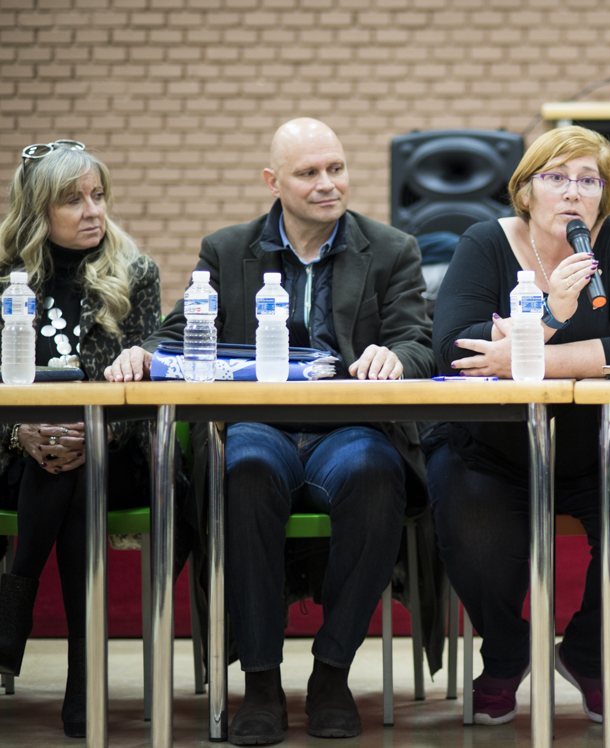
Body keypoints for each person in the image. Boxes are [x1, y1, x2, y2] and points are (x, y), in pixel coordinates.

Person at [105, 118, 433, 744]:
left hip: (347, 426)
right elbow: (175, 335)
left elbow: (418, 339)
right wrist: (144, 353)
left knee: (375, 473)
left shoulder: (392, 249)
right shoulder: (227, 250)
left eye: (334, 168)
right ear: (273, 181)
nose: (326, 184)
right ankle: (259, 681)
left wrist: (398, 357)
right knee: (243, 472)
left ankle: (332, 675)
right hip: (257, 424)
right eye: (308, 173)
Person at [427, 126, 610, 725]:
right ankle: (505, 653)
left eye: (589, 181)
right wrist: (552, 317)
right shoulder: (482, 243)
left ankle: (591, 653)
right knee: (471, 517)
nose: (574, 193)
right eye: (557, 178)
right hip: (496, 446)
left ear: (603, 196)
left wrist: (525, 356)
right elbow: (457, 354)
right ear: (526, 191)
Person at [0, 142, 161, 737]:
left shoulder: (135, 273)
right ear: (37, 210)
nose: (93, 210)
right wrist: (20, 431)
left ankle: (12, 608)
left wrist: (98, 435)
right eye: (73, 199)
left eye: (98, 195)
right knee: (59, 473)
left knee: (72, 471)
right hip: (19, 458)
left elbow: (151, 384)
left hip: (112, 455)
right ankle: (82, 677)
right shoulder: (2, 279)